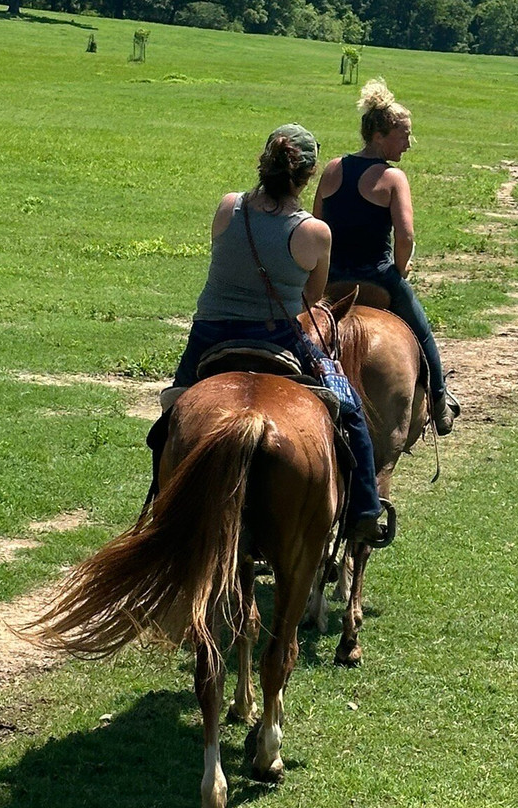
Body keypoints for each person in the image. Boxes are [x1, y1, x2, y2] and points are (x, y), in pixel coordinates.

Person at [170, 124, 386, 543]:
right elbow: (313, 294)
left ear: (263, 163)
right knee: (351, 409)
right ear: (307, 175)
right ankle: (364, 509)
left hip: (210, 333)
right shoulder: (313, 232)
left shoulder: (228, 206)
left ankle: (162, 496)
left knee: (173, 413)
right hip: (280, 338)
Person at [313, 78, 460, 435]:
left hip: (331, 279)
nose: (409, 144)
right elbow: (405, 235)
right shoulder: (393, 178)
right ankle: (440, 401)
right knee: (423, 334)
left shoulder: (333, 168)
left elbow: (316, 221)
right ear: (379, 136)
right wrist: (399, 268)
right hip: (376, 276)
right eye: (403, 135)